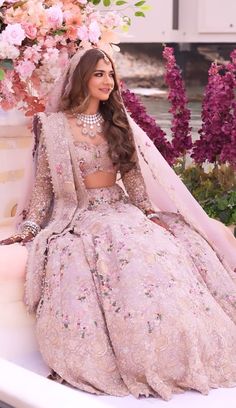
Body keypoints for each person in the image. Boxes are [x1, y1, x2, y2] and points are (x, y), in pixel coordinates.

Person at [0, 47, 236, 400]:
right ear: (81, 79)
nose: (107, 81)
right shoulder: (52, 128)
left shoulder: (119, 122)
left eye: (110, 74)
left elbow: (135, 181)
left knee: (155, 248)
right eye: (98, 74)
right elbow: (43, 192)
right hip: (78, 218)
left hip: (121, 209)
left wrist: (149, 214)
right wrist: (29, 230)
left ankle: (176, 348)